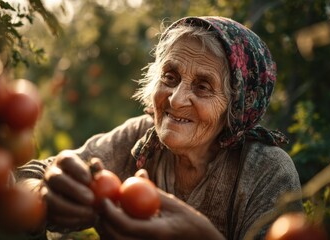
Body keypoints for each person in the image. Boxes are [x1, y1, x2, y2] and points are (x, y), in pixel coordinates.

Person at [15, 16, 303, 239]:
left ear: (237, 107)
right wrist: (41, 194)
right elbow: (29, 174)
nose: (176, 100)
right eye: (170, 76)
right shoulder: (141, 136)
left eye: (203, 87)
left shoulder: (267, 172)